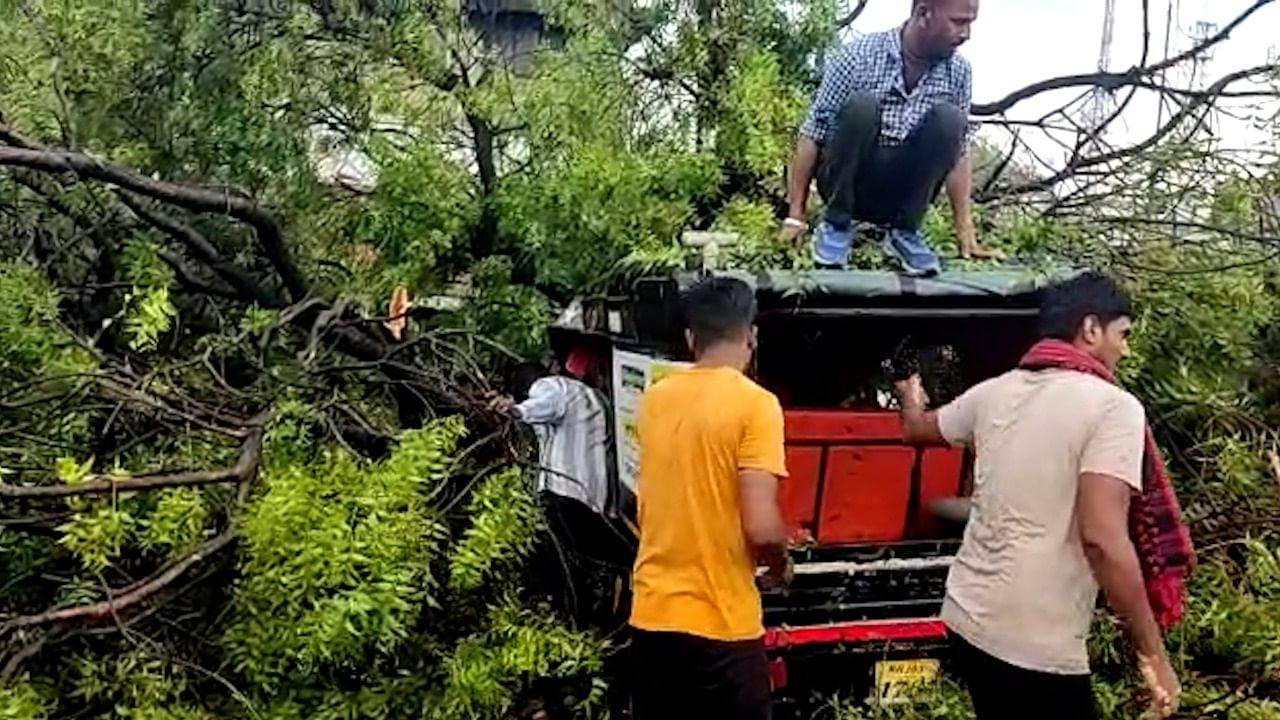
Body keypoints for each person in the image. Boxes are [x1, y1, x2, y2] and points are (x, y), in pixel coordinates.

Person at [892, 272, 1193, 719]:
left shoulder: (994, 392)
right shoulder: (1112, 407)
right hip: (1034, 643)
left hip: (966, 615)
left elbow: (916, 429)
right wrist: (1152, 654)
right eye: (1122, 334)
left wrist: (910, 396)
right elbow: (1103, 539)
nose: (1124, 350)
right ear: (1090, 329)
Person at [628, 277, 792, 720]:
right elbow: (759, 524)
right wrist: (781, 561)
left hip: (652, 616)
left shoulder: (655, 398)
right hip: (721, 625)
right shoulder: (756, 405)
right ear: (751, 335)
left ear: (689, 338)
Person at [780, 0, 1000, 276]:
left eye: (970, 23)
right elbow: (812, 134)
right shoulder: (856, 57)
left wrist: (965, 228)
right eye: (958, 22)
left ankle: (904, 232)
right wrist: (795, 216)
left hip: (900, 193)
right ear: (923, 14)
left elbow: (959, 152)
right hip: (849, 180)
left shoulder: (958, 72)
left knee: (950, 120)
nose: (966, 34)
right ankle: (836, 225)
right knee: (862, 106)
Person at [492, 351, 634, 630]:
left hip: (563, 496)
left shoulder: (554, 387)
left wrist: (515, 410)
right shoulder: (596, 398)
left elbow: (545, 403)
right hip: (593, 504)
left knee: (551, 573)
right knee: (573, 571)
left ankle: (553, 628)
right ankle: (575, 628)